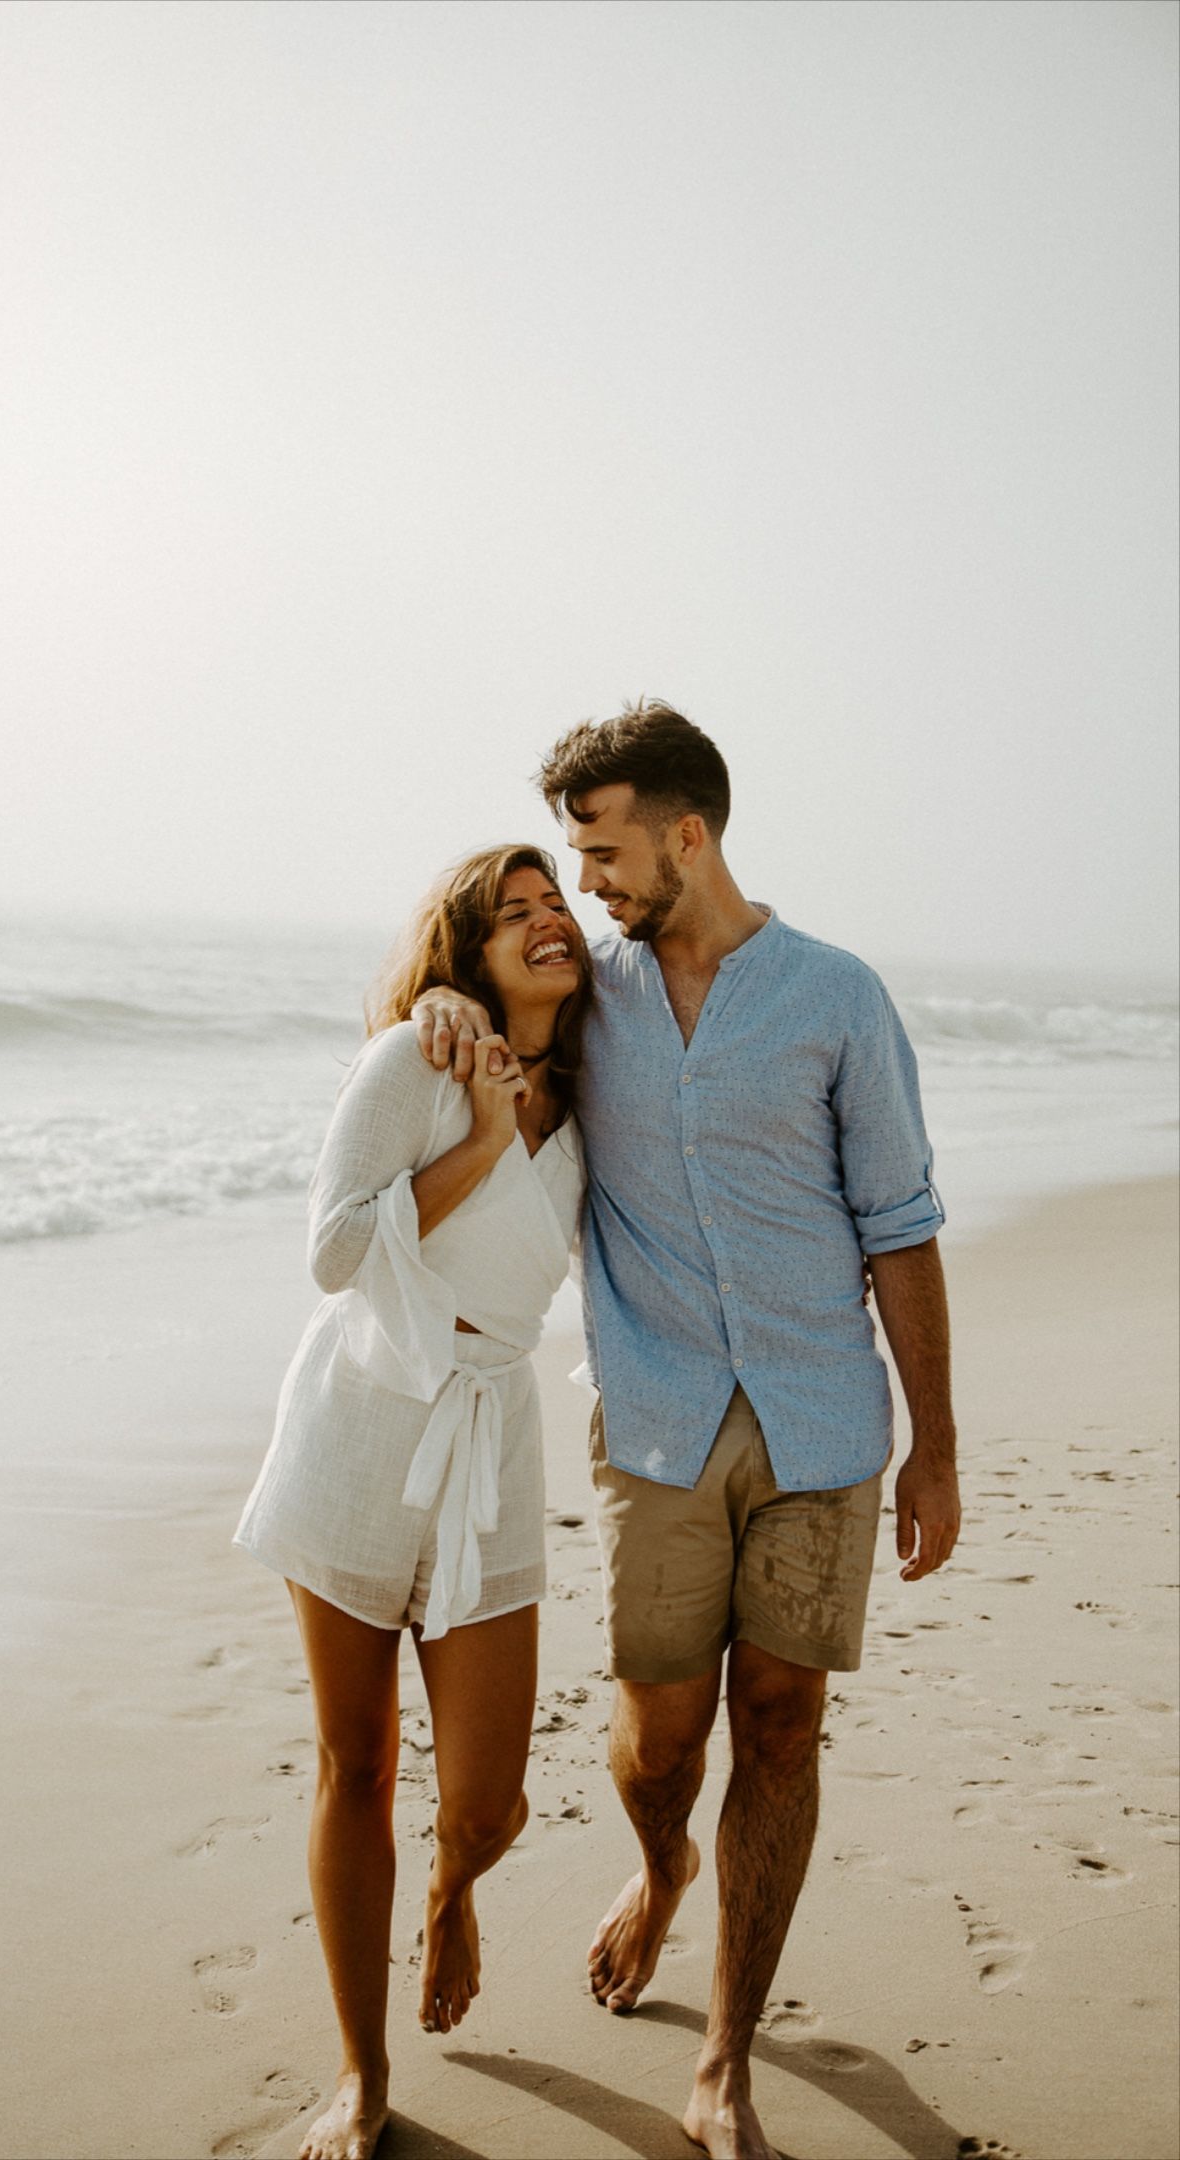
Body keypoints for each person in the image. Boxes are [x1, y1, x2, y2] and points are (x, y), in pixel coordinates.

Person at [414, 702, 961, 2160]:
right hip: (654, 1427)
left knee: (780, 1727)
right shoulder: (585, 999)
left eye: (601, 851)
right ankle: (659, 1872)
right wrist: (444, 1015)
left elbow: (901, 1229)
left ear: (688, 834)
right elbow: (462, 1031)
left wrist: (938, 1447)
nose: (586, 883)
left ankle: (724, 2061)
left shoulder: (838, 998)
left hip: (822, 1430)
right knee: (661, 1741)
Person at [234, 844, 590, 2160]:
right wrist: (484, 1134)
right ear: (467, 954)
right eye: (514, 910)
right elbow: (335, 1250)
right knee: (360, 1764)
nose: (547, 917)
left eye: (556, 900)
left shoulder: (602, 1102)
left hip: (492, 1450)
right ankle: (362, 2077)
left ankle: (453, 1891)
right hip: (359, 1433)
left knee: (489, 1802)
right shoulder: (417, 1065)